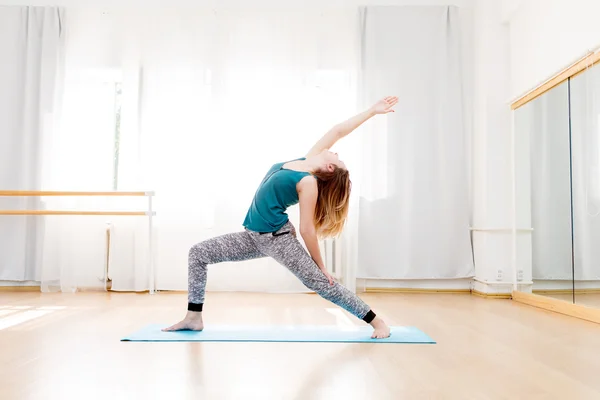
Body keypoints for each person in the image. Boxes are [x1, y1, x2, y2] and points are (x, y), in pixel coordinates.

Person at [164, 96, 399, 338]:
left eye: (338, 159)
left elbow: (307, 229)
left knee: (321, 284)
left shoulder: (308, 182)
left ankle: (377, 322)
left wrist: (321, 267)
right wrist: (371, 111)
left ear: (330, 168)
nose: (336, 152)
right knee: (198, 253)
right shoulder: (307, 161)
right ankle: (193, 317)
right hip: (253, 236)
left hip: (278, 239)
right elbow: (338, 130)